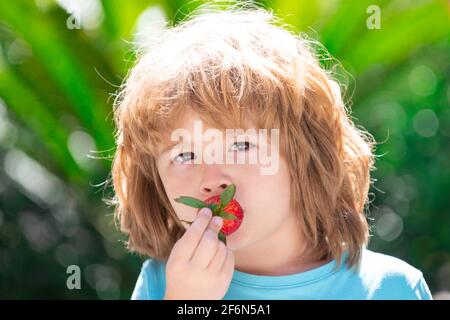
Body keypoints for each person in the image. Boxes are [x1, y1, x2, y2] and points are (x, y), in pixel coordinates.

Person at [110, 7, 432, 300]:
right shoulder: (166, 284)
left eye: (241, 146)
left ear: (303, 156)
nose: (211, 180)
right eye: (183, 156)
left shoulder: (388, 288)